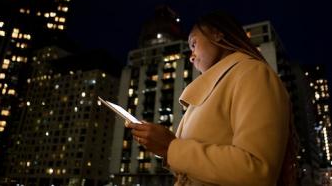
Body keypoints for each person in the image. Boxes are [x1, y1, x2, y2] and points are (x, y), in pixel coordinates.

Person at [127, 10, 298, 185]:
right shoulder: (210, 92)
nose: (191, 56)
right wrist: (163, 147)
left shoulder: (252, 73)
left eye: (194, 44)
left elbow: (256, 169)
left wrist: (170, 147)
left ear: (217, 35)